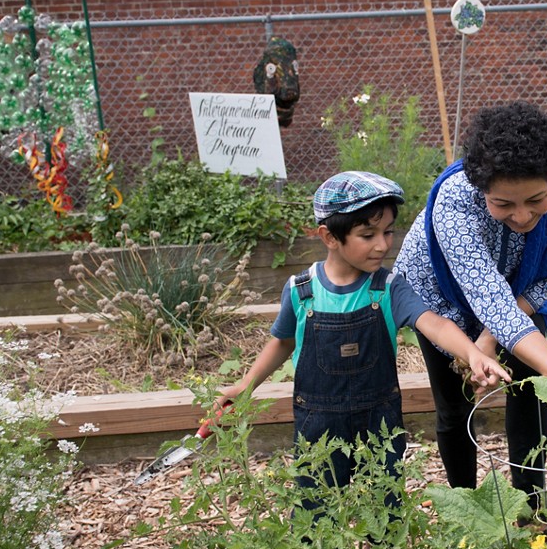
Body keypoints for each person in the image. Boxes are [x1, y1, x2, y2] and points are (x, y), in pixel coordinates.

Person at [215, 170, 510, 513]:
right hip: (318, 424)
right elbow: (282, 342)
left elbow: (435, 324)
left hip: (379, 423)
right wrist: (245, 385)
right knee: (316, 509)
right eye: (367, 234)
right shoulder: (301, 291)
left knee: (384, 509)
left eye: (387, 232)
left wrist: (472, 353)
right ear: (329, 236)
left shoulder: (388, 288)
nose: (383, 245)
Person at [394, 101, 547, 509]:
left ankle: (531, 506)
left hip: (516, 292)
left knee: (532, 391)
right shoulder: (455, 201)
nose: (523, 216)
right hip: (440, 297)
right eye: (504, 205)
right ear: (481, 190)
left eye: (536, 199)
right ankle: (466, 507)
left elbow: (544, 277)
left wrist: (490, 339)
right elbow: (488, 298)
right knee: (455, 405)